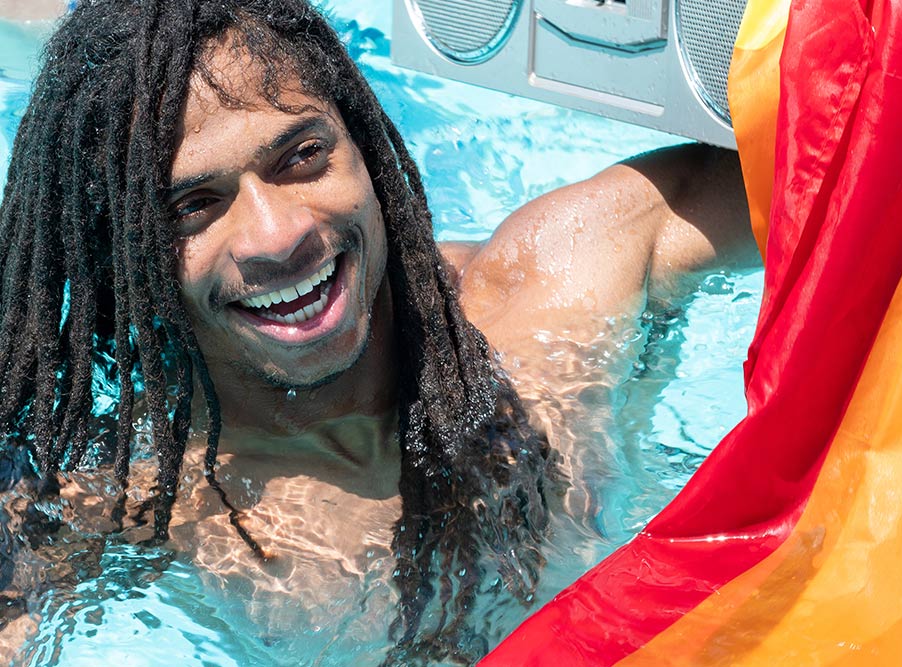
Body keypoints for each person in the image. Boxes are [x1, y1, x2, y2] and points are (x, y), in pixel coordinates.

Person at [0, 0, 755, 663]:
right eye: (192, 207)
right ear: (120, 258)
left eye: (301, 156)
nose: (276, 235)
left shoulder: (563, 287)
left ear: (364, 143)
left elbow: (843, 163)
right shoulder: (128, 494)